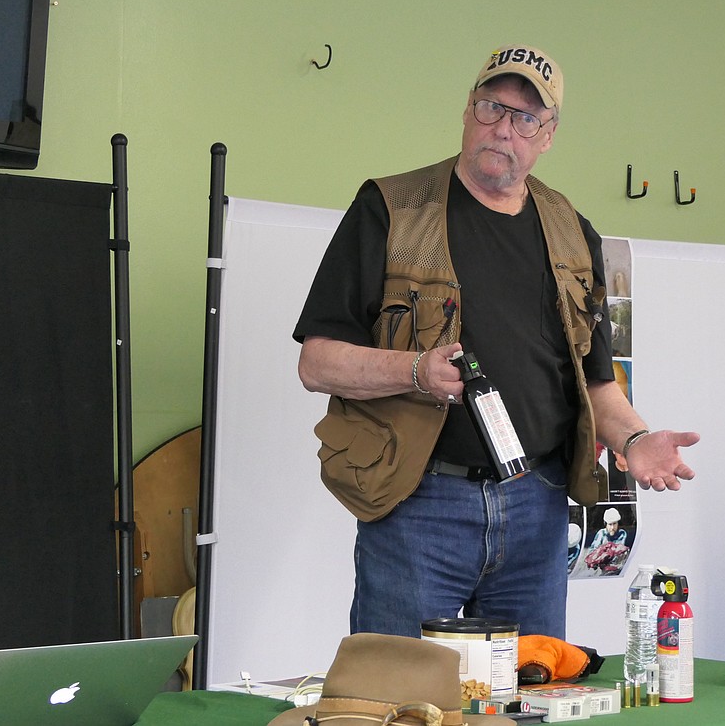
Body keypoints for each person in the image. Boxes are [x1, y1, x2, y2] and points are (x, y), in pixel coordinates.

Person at [293, 44, 699, 639]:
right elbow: (317, 362)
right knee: (399, 696)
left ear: (548, 135)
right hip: (419, 503)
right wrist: (415, 372)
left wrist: (634, 440)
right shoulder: (390, 208)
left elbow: (597, 383)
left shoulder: (572, 231)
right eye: (491, 106)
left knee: (531, 697)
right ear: (467, 109)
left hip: (536, 507)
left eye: (524, 117)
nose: (502, 128)